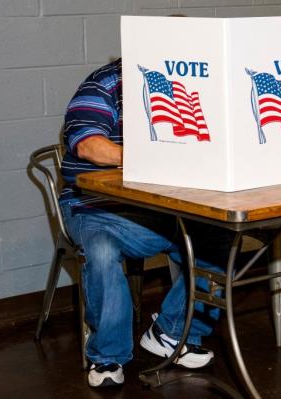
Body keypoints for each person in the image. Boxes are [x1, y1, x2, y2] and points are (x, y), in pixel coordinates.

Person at [59, 58, 231, 388]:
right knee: (103, 249)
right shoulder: (104, 84)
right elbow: (88, 145)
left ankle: (173, 333)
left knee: (222, 238)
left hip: (165, 207)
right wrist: (156, 156)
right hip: (98, 207)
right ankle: (107, 356)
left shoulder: (198, 84)